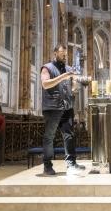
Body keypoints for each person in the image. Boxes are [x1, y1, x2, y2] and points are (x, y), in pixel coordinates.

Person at [41, 45, 85, 176]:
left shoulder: (68, 69)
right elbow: (45, 84)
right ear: (55, 54)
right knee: (49, 137)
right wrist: (62, 77)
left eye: (66, 54)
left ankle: (71, 164)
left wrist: (74, 81)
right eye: (62, 54)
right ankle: (47, 165)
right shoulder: (47, 68)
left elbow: (71, 89)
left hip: (67, 106)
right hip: (52, 108)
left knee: (69, 136)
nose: (65, 56)